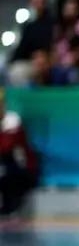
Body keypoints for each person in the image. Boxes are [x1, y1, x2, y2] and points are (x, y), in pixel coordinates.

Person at [0, 86, 39, 219]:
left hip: (17, 166)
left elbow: (8, 147)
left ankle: (12, 207)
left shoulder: (12, 120)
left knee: (9, 174)